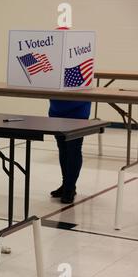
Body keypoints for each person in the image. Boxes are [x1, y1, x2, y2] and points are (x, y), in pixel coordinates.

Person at [49, 27, 91, 204]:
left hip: (77, 109)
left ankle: (69, 187)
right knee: (62, 147)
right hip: (57, 107)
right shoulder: (52, 59)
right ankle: (67, 184)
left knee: (73, 148)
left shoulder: (81, 57)